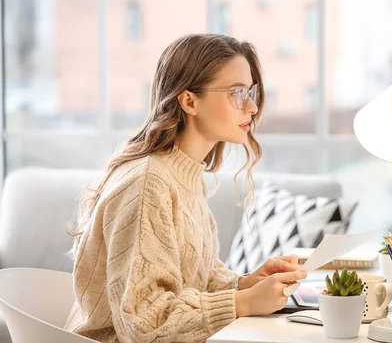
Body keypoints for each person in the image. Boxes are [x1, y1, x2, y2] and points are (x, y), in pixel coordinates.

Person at [65, 34, 307, 342]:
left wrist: (245, 284)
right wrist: (242, 303)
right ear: (189, 100)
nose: (252, 108)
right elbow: (144, 323)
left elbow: (195, 280)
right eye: (237, 93)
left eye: (251, 92)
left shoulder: (185, 173)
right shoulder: (146, 183)